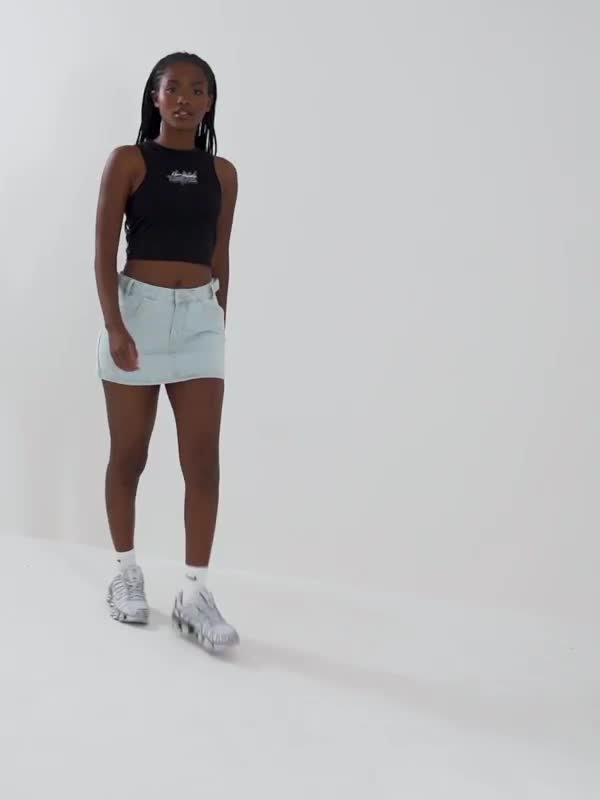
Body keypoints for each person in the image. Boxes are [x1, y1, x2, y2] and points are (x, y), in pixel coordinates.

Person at [94, 52, 239, 652]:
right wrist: (116, 325)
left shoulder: (223, 173)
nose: (184, 98)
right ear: (154, 97)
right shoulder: (129, 161)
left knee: (202, 462)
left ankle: (194, 595)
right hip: (138, 315)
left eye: (197, 90)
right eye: (172, 87)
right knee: (129, 455)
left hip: (200, 321)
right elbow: (102, 251)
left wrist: (219, 319)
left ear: (210, 102)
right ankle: (125, 574)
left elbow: (221, 251)